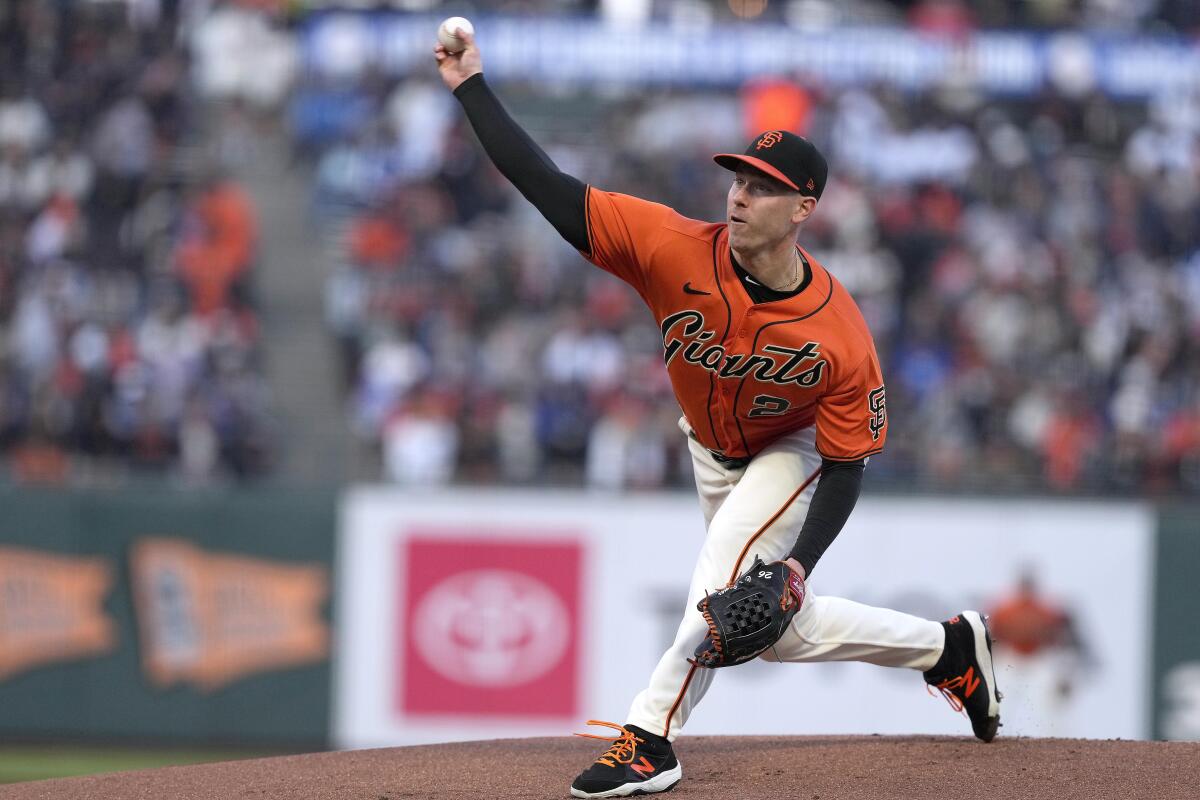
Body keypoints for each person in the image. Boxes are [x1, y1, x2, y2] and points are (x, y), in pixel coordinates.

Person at [434, 29, 1001, 799]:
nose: (739, 193)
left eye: (762, 185)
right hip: (710, 451)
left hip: (792, 453)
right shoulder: (673, 246)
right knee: (772, 632)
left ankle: (648, 739)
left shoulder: (838, 331)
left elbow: (845, 465)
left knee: (722, 584)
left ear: (804, 207)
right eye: (737, 177)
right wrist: (471, 85)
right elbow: (546, 183)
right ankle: (948, 649)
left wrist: (798, 566)